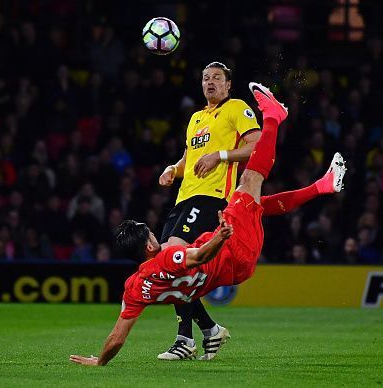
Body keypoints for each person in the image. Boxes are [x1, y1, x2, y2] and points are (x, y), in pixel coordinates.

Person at [69, 82, 347, 366]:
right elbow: (198, 255)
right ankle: (274, 115)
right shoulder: (168, 257)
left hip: (232, 268)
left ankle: (322, 186)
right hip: (233, 248)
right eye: (151, 233)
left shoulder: (135, 287)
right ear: (150, 244)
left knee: (256, 206)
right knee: (250, 181)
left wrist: (100, 361)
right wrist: (221, 236)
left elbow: (117, 337)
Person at [156, 62, 261, 361]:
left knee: (174, 258)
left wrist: (221, 155)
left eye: (217, 78)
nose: (210, 82)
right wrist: (172, 169)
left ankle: (184, 340)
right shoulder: (196, 118)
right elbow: (189, 158)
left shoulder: (236, 108)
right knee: (168, 263)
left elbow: (257, 145)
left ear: (229, 85)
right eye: (205, 78)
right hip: (183, 200)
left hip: (212, 198)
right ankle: (209, 330)